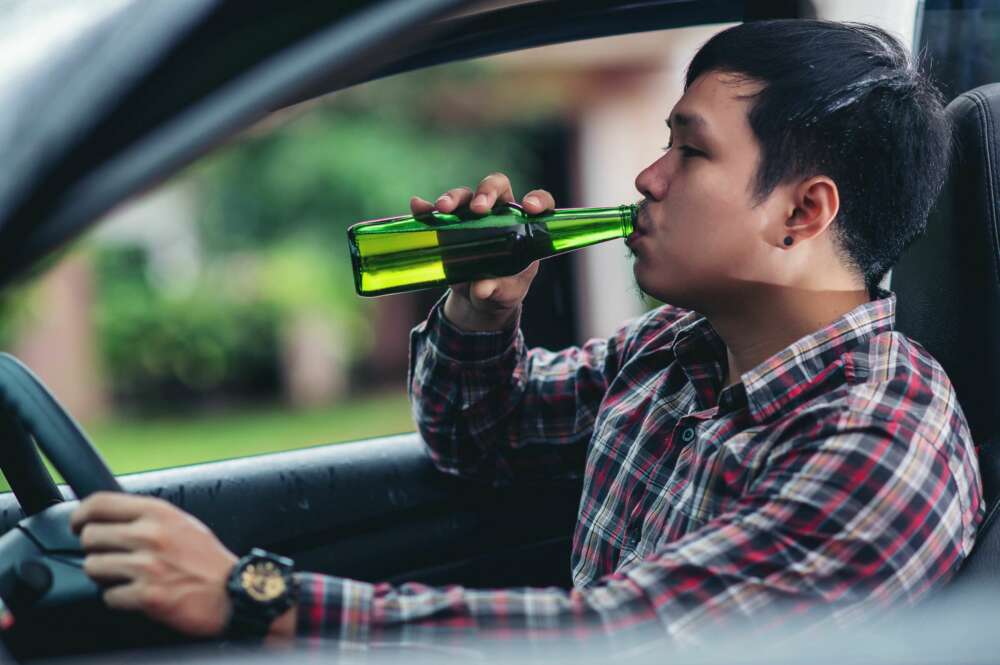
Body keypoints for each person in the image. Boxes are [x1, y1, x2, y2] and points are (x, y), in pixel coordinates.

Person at [70, 19, 983, 649]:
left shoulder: (883, 442)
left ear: (801, 212)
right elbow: (481, 439)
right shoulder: (676, 347)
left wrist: (254, 597)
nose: (646, 176)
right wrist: (484, 306)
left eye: (690, 150)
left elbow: (621, 642)